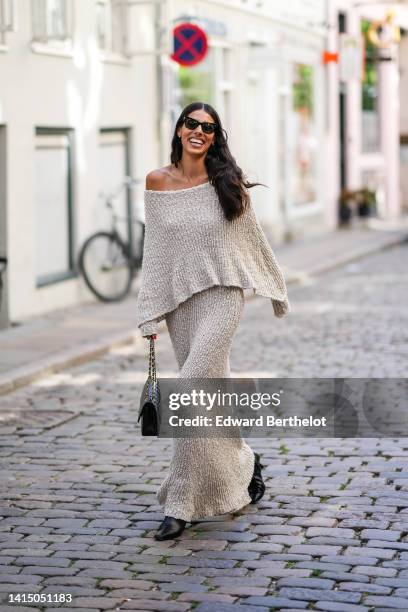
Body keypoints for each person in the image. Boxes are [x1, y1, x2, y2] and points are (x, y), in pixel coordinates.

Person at [136, 101, 290, 540]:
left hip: (222, 298)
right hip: (181, 304)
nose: (199, 131)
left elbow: (251, 240)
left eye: (208, 127)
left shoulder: (227, 182)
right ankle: (243, 463)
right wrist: (150, 310)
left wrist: (274, 287)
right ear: (180, 130)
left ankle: (181, 505)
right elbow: (157, 252)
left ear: (215, 136)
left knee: (189, 389)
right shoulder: (157, 182)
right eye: (192, 124)